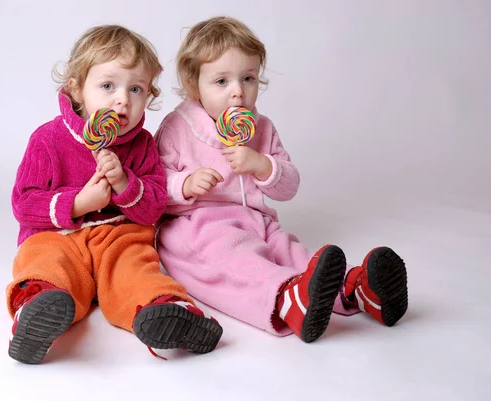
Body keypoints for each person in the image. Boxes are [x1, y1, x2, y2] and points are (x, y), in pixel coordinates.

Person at [155, 16, 408, 343]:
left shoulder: (262, 128)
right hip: (197, 225)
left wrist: (262, 165)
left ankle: (355, 290)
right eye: (221, 81)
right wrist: (184, 185)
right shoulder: (178, 127)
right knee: (238, 261)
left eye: (247, 78)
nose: (237, 92)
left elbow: (289, 186)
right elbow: (153, 183)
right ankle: (286, 298)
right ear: (193, 84)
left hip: (257, 219)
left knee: (291, 252)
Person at [6, 25, 222, 364]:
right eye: (108, 86)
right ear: (77, 89)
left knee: (135, 269)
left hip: (118, 236)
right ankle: (37, 308)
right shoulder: (47, 140)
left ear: (148, 96)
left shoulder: (142, 144)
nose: (123, 99)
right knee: (46, 262)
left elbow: (153, 209)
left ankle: (164, 311)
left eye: (136, 89)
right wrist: (78, 203)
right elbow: (24, 203)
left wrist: (124, 184)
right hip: (56, 236)